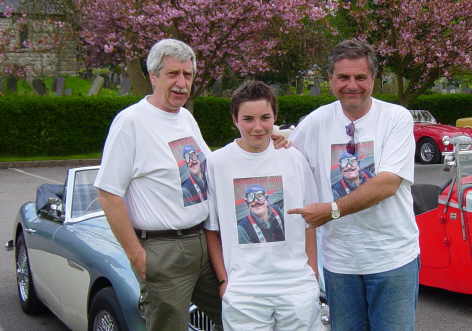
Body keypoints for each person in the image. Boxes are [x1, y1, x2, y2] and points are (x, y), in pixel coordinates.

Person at [289, 39, 420, 331]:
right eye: (343, 77)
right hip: (340, 263)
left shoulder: (395, 118)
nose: (352, 85)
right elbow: (284, 160)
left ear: (373, 79)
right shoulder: (315, 122)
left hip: (392, 258)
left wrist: (332, 210)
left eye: (360, 77)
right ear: (330, 80)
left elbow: (387, 183)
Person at [94, 39, 222, 331]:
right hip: (163, 250)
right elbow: (108, 194)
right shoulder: (131, 122)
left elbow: (213, 167)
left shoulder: (186, 118)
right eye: (173, 74)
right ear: (153, 76)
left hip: (202, 242)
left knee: (236, 315)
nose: (181, 83)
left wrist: (262, 141)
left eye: (187, 75)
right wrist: (136, 254)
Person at [205, 80, 323, 331]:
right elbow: (212, 230)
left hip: (295, 287)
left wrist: (311, 274)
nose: (257, 127)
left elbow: (308, 222)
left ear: (275, 117)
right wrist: (225, 281)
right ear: (234, 119)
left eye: (265, 118)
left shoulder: (294, 158)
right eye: (248, 119)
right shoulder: (217, 163)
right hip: (245, 292)